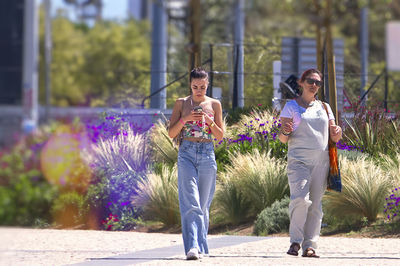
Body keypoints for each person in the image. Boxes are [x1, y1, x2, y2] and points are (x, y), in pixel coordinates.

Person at [278, 69, 342, 258]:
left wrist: (337, 132)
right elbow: (282, 139)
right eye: (310, 81)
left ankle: (310, 246)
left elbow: (334, 136)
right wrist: (285, 131)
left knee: (315, 204)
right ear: (301, 82)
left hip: (321, 161)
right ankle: (295, 242)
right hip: (298, 160)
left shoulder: (324, 107)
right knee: (300, 199)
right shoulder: (291, 106)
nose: (314, 85)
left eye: (317, 82)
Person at [168, 67, 224, 260]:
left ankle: (202, 247)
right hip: (187, 154)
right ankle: (193, 247)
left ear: (207, 85)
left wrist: (209, 122)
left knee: (203, 204)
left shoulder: (215, 104)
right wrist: (185, 118)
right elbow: (171, 133)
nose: (198, 90)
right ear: (190, 86)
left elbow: (220, 136)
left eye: (202, 86)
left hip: (207, 154)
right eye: (195, 87)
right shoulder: (182, 103)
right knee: (190, 201)